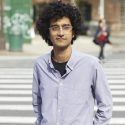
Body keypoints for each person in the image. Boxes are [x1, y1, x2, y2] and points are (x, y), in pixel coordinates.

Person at [32, 1, 112, 125]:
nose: (60, 33)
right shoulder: (40, 65)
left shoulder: (91, 64)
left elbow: (106, 105)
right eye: (55, 27)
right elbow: (38, 103)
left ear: (73, 31)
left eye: (66, 27)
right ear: (48, 32)